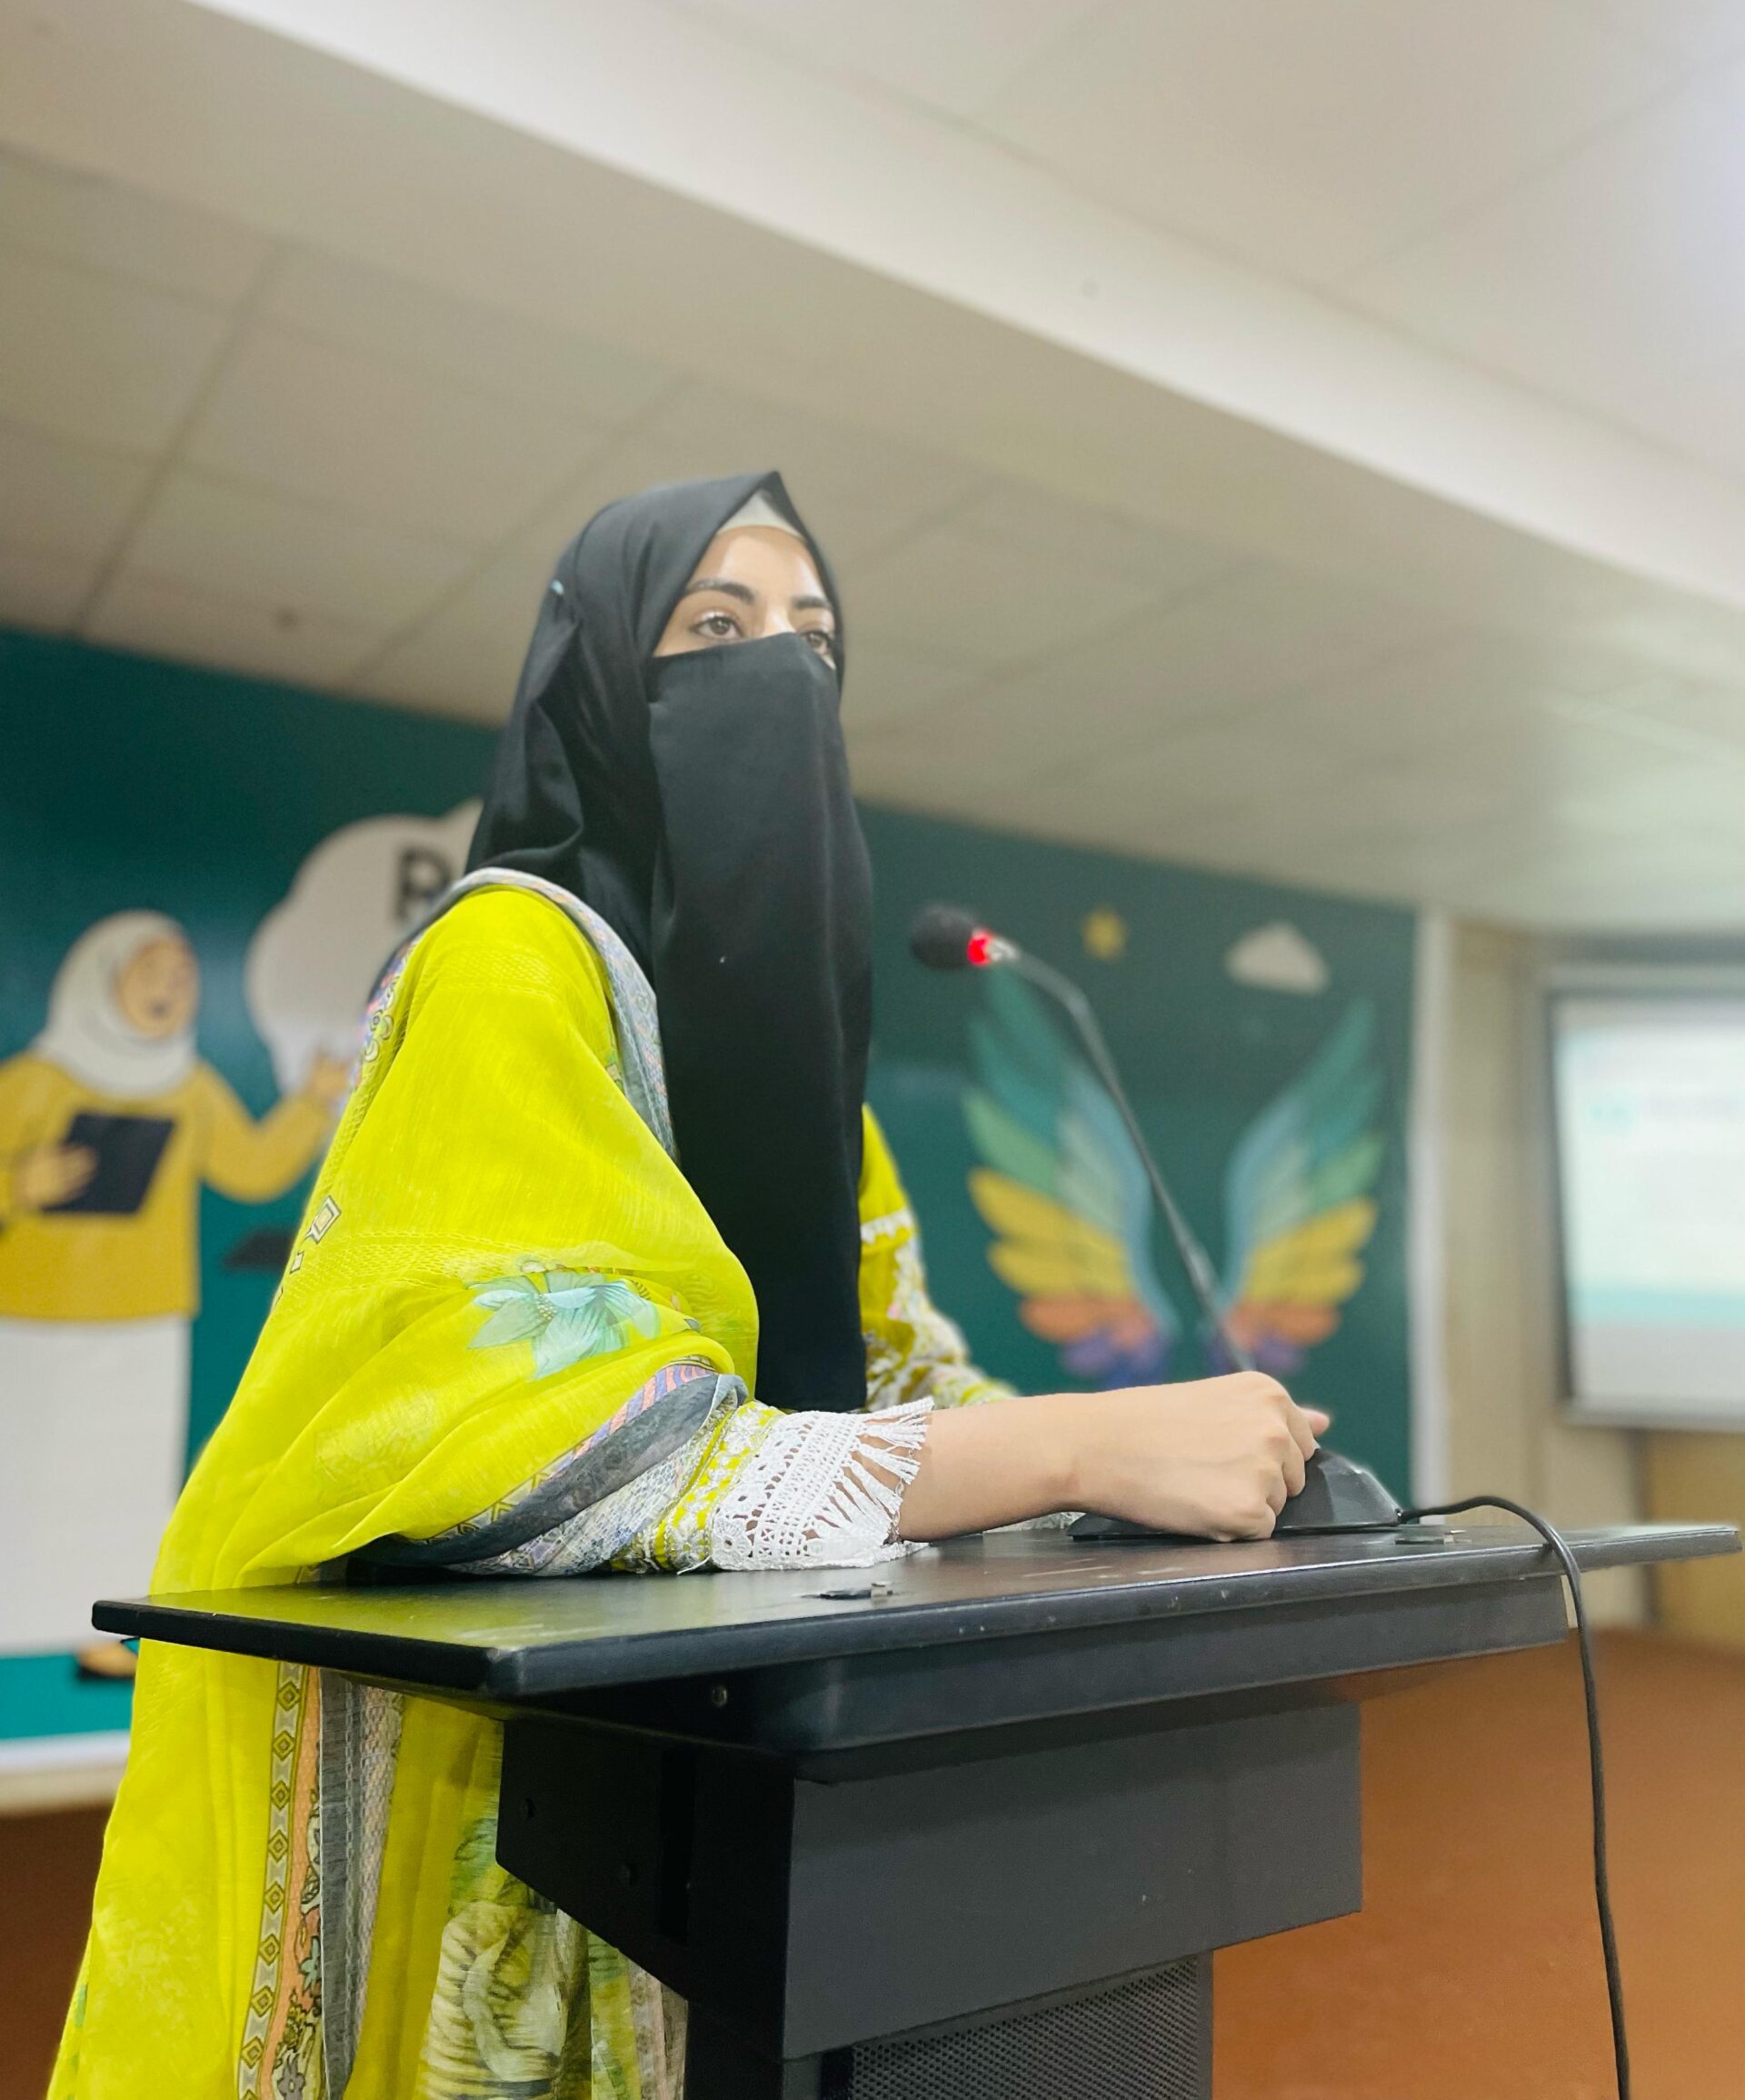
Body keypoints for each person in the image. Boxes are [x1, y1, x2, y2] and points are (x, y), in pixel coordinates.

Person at [52, 475, 1324, 2100]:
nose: (778, 672)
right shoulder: (510, 963)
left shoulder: (800, 1056)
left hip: (774, 1744)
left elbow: (896, 1375)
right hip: (529, 1781)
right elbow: (548, 1446)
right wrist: (1074, 1449)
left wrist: (1182, 1448)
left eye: (816, 640)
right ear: (597, 685)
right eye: (714, 629)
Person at [0, 913, 346, 1677]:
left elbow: (251, 1167)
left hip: (148, 1321)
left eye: (184, 977)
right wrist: (19, 1184)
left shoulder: (186, 1088)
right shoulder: (33, 1083)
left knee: (123, 1484)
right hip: (34, 1324)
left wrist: (312, 1102)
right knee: (29, 1482)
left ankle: (97, 1631)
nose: (171, 989)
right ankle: (19, 1620)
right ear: (104, 979)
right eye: (153, 973)